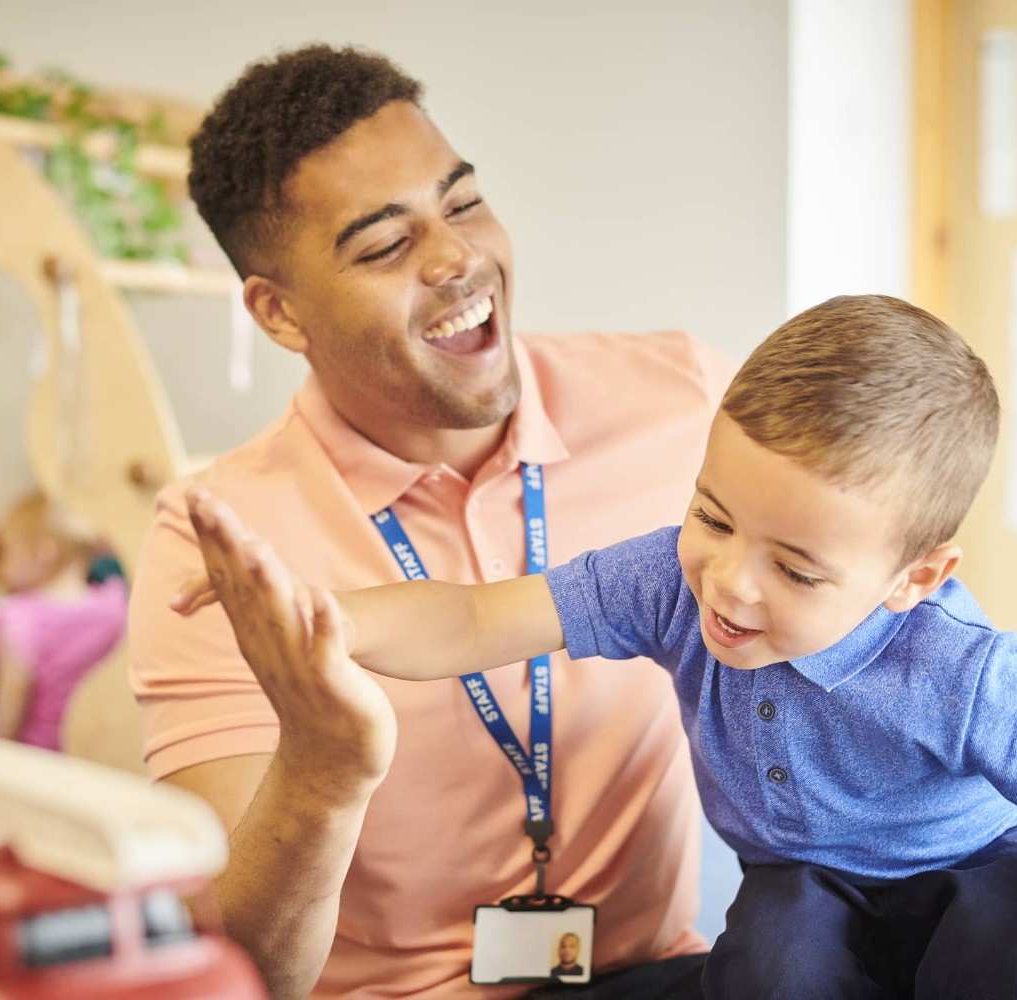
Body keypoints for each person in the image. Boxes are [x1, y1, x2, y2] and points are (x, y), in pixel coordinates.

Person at [174, 294, 1017, 999]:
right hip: (811, 870)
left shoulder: (962, 671)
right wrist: (316, 615)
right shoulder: (669, 579)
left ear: (917, 578)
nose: (732, 582)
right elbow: (475, 619)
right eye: (713, 515)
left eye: (798, 569)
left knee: (1003, 967)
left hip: (987, 856)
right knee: (771, 975)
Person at [128, 45, 733, 998]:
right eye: (385, 246)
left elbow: (903, 622)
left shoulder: (683, 399)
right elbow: (245, 972)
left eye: (461, 204)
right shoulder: (220, 541)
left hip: (656, 973)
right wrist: (324, 772)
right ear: (280, 314)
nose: (456, 259)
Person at [0, 491, 126, 750]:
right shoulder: (116, 608)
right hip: (101, 759)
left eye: (7, 551)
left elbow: (6, 716)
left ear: (45, 552)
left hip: (38, 764)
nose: (0, 565)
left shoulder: (18, 618)